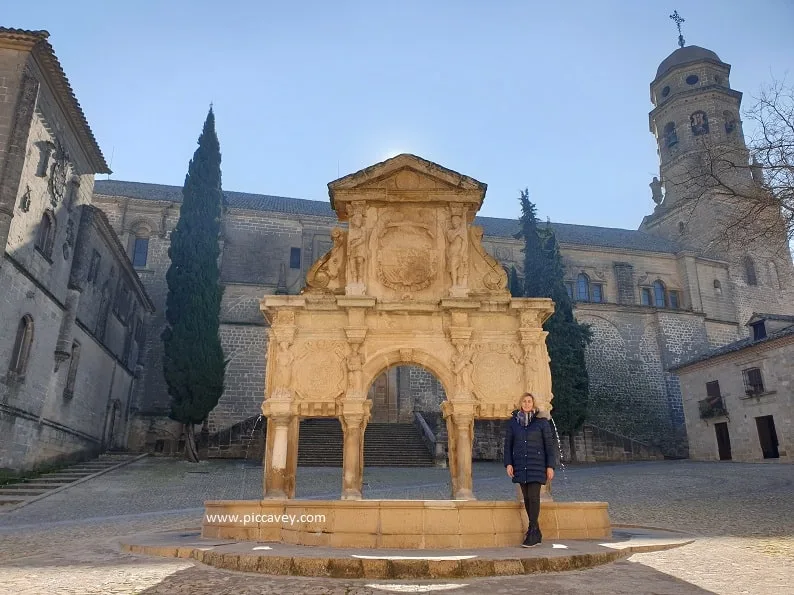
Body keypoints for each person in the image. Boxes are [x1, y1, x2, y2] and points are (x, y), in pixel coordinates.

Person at [503, 392, 558, 547]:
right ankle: (537, 532)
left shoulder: (541, 422)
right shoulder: (514, 423)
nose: (527, 404)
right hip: (521, 465)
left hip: (537, 465)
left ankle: (532, 531)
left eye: (529, 401)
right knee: (527, 498)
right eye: (524, 401)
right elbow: (508, 445)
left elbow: (549, 445)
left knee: (534, 498)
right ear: (521, 404)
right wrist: (509, 463)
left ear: (533, 404)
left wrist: (550, 466)